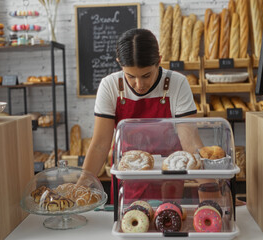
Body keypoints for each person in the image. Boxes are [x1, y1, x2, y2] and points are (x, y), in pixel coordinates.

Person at [82, 28, 203, 202]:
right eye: (130, 76)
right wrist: (78, 189)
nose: (139, 85)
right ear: (119, 64)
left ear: (159, 61)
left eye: (146, 75)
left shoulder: (177, 83)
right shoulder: (109, 85)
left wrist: (214, 187)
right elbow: (100, 144)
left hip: (169, 178)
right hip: (128, 179)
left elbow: (190, 143)